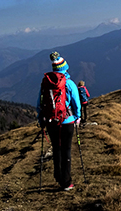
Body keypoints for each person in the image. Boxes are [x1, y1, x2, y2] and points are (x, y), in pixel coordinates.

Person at [36, 52, 81, 191]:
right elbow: (76, 103)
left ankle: (58, 176)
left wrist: (41, 119)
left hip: (51, 122)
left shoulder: (46, 83)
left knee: (56, 149)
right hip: (67, 121)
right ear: (65, 68)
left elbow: (39, 103)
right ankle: (66, 182)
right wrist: (78, 117)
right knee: (66, 150)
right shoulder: (69, 83)